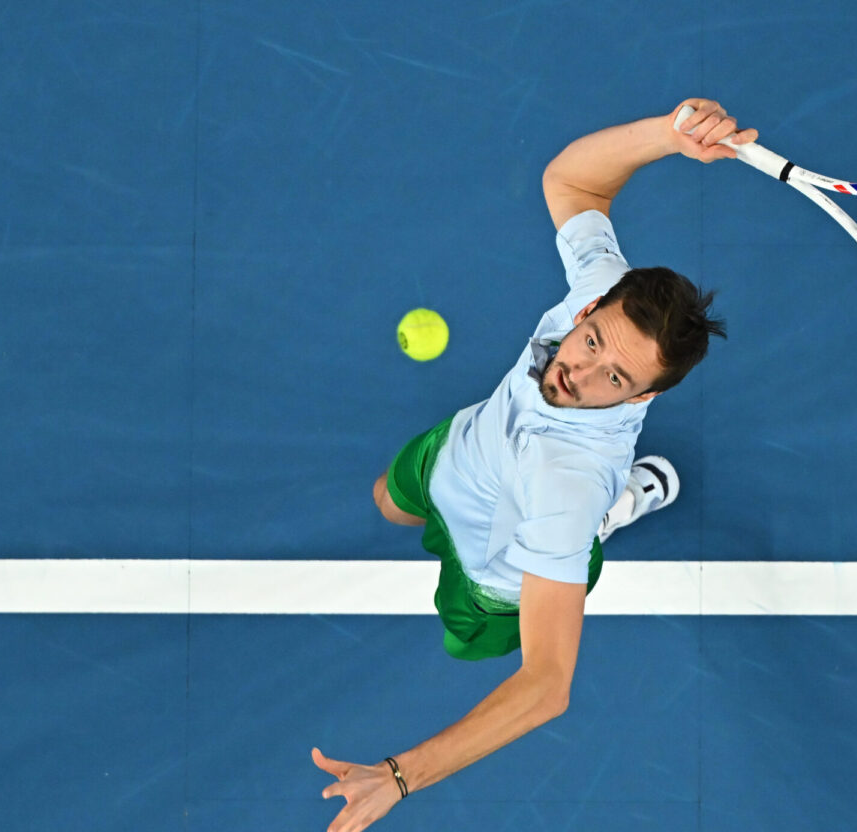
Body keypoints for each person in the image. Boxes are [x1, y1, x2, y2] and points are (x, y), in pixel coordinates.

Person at [312, 98, 755, 832]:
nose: (581, 374)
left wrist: (399, 776)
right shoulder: (598, 293)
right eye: (593, 344)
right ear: (587, 312)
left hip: (495, 573)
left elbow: (547, 685)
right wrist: (669, 135)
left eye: (616, 379)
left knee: (469, 637)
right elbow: (574, 183)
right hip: (459, 452)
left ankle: (619, 507)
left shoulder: (567, 486)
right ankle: (603, 508)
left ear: (643, 396)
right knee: (389, 500)